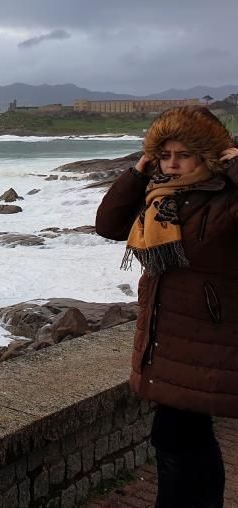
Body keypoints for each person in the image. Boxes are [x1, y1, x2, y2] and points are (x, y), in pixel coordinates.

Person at [96, 105, 238, 507]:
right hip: (167, 337)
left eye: (184, 155)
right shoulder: (161, 196)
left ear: (210, 156)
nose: (172, 165)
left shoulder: (227, 199)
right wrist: (139, 169)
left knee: (178, 440)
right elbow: (108, 224)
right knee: (183, 440)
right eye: (164, 155)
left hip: (206, 340)